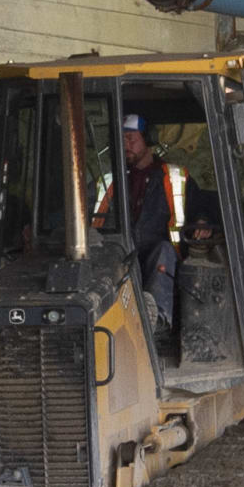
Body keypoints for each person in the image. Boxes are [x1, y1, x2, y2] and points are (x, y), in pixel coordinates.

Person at [96, 113, 185, 340]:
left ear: (148, 140)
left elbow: (199, 206)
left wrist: (203, 221)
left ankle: (156, 320)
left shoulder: (171, 177)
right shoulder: (111, 180)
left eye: (131, 138)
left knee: (163, 251)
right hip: (121, 252)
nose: (126, 145)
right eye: (122, 139)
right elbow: (85, 209)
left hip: (159, 253)